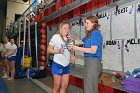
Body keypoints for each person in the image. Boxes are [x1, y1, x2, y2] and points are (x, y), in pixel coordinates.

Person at [72, 16, 103, 93]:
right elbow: (80, 41)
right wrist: (68, 41)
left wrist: (76, 48)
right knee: (88, 86)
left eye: (87, 23)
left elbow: (93, 50)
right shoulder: (89, 35)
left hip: (93, 62)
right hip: (88, 62)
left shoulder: (95, 33)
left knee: (90, 88)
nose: (85, 25)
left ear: (94, 24)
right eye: (85, 23)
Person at [47, 21, 75, 93]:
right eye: (65, 28)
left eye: (68, 28)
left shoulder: (69, 38)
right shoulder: (56, 37)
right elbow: (49, 50)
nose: (67, 30)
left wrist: (72, 55)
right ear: (61, 29)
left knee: (64, 86)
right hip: (58, 64)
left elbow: (71, 49)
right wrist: (58, 51)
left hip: (66, 64)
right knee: (57, 86)